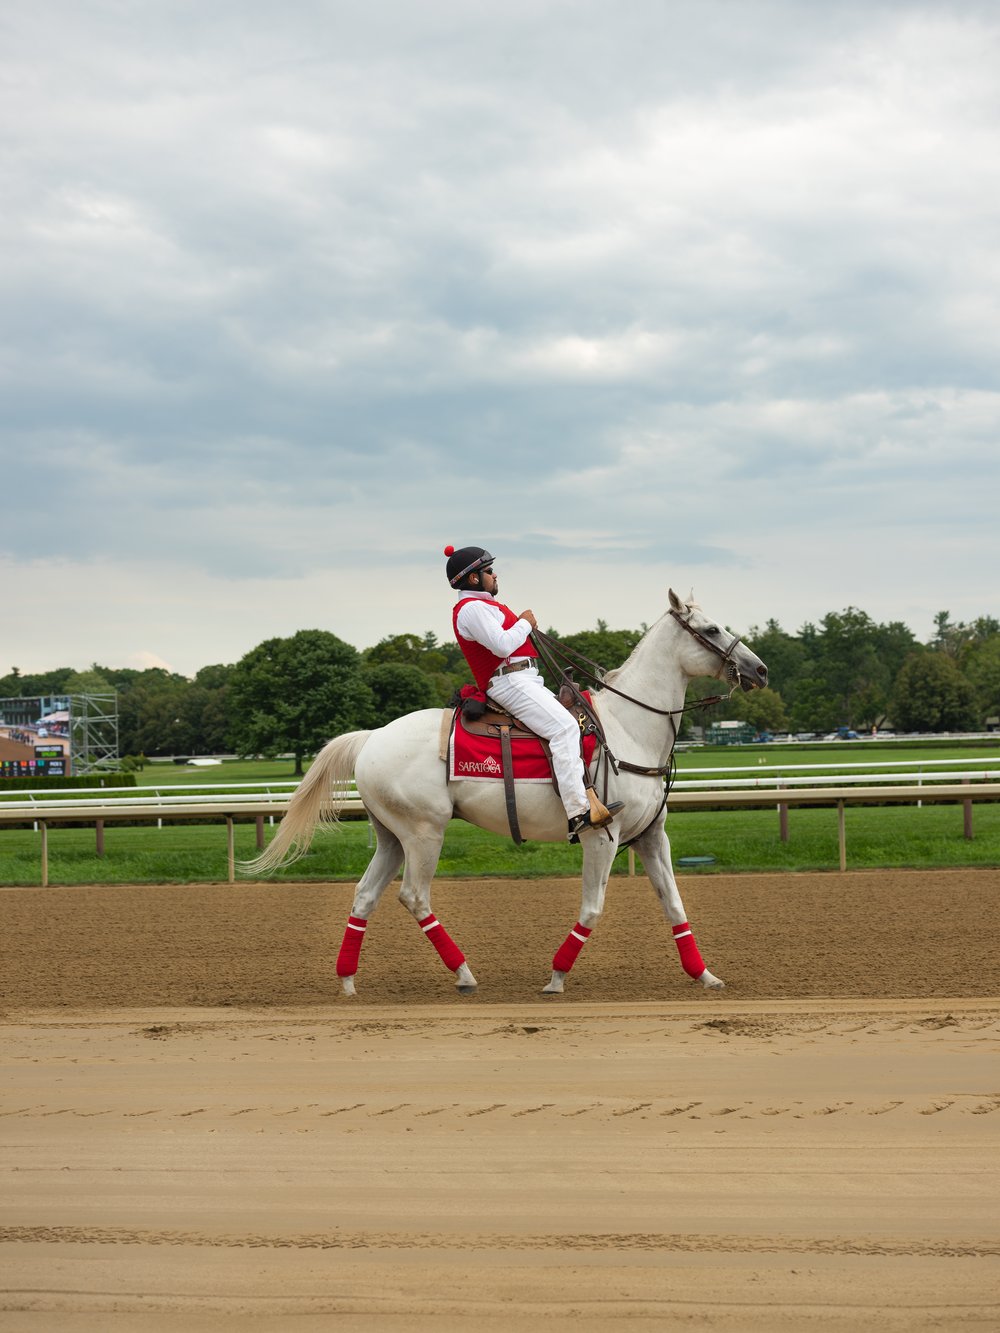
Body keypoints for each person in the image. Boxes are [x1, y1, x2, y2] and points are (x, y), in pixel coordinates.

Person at [444, 543, 623, 842]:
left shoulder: (482, 605)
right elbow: (501, 645)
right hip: (510, 682)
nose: (494, 575)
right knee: (565, 728)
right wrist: (525, 623)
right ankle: (578, 812)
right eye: (488, 571)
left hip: (523, 679)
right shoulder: (472, 609)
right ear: (473, 579)